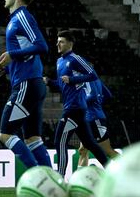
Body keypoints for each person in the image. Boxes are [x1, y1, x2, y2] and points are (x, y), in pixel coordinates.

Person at [0, 0, 52, 168]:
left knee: (5, 134)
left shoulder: (22, 17)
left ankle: (35, 175)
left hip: (27, 84)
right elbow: (27, 54)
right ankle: (53, 181)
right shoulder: (15, 20)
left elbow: (42, 46)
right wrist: (7, 68)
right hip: (32, 84)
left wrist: (12, 55)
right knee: (33, 139)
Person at [44, 30, 108, 177]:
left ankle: (59, 178)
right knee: (90, 143)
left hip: (75, 107)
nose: (58, 44)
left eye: (61, 41)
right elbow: (62, 84)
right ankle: (112, 171)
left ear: (70, 43)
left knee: (59, 141)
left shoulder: (75, 59)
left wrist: (73, 80)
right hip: (74, 107)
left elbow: (93, 75)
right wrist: (49, 81)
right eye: (57, 41)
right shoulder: (59, 61)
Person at [77, 79, 119, 167]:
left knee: (107, 150)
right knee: (82, 150)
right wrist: (98, 103)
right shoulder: (95, 80)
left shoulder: (88, 79)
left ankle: (129, 171)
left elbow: (92, 96)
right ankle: (81, 178)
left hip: (95, 119)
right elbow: (108, 95)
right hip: (87, 119)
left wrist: (79, 101)